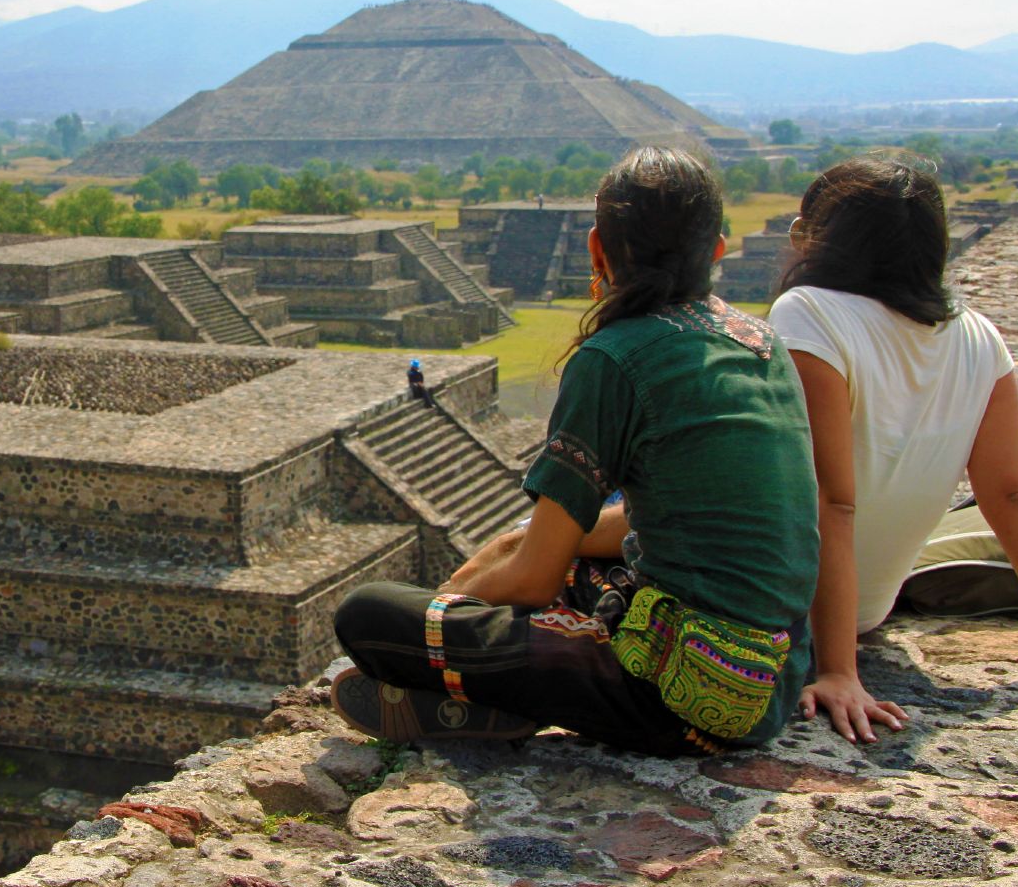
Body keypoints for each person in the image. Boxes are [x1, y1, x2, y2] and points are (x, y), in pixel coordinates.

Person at [332, 147, 821, 755]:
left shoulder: (614, 358)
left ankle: (467, 689)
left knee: (369, 614)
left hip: (687, 699)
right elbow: (688, 516)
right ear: (718, 250)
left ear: (597, 249)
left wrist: (448, 614)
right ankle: (476, 678)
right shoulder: (759, 341)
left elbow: (535, 580)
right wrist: (511, 550)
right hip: (773, 678)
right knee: (559, 559)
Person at [768, 157, 1018, 744]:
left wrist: (837, 670)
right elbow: (1010, 496)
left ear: (814, 238)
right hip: (869, 609)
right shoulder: (978, 335)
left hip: (793, 610)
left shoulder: (809, 314)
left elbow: (833, 499)